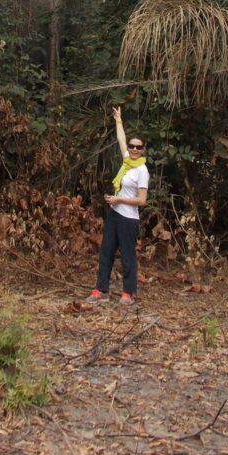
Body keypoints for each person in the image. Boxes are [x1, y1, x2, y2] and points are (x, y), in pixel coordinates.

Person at [85, 106, 149, 306]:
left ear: (143, 150)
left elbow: (142, 200)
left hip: (129, 218)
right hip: (114, 214)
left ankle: (128, 293)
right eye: (132, 146)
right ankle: (100, 289)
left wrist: (119, 199)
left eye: (139, 147)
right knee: (106, 251)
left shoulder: (141, 170)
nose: (134, 149)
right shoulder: (126, 161)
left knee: (128, 256)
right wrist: (119, 120)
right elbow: (121, 139)